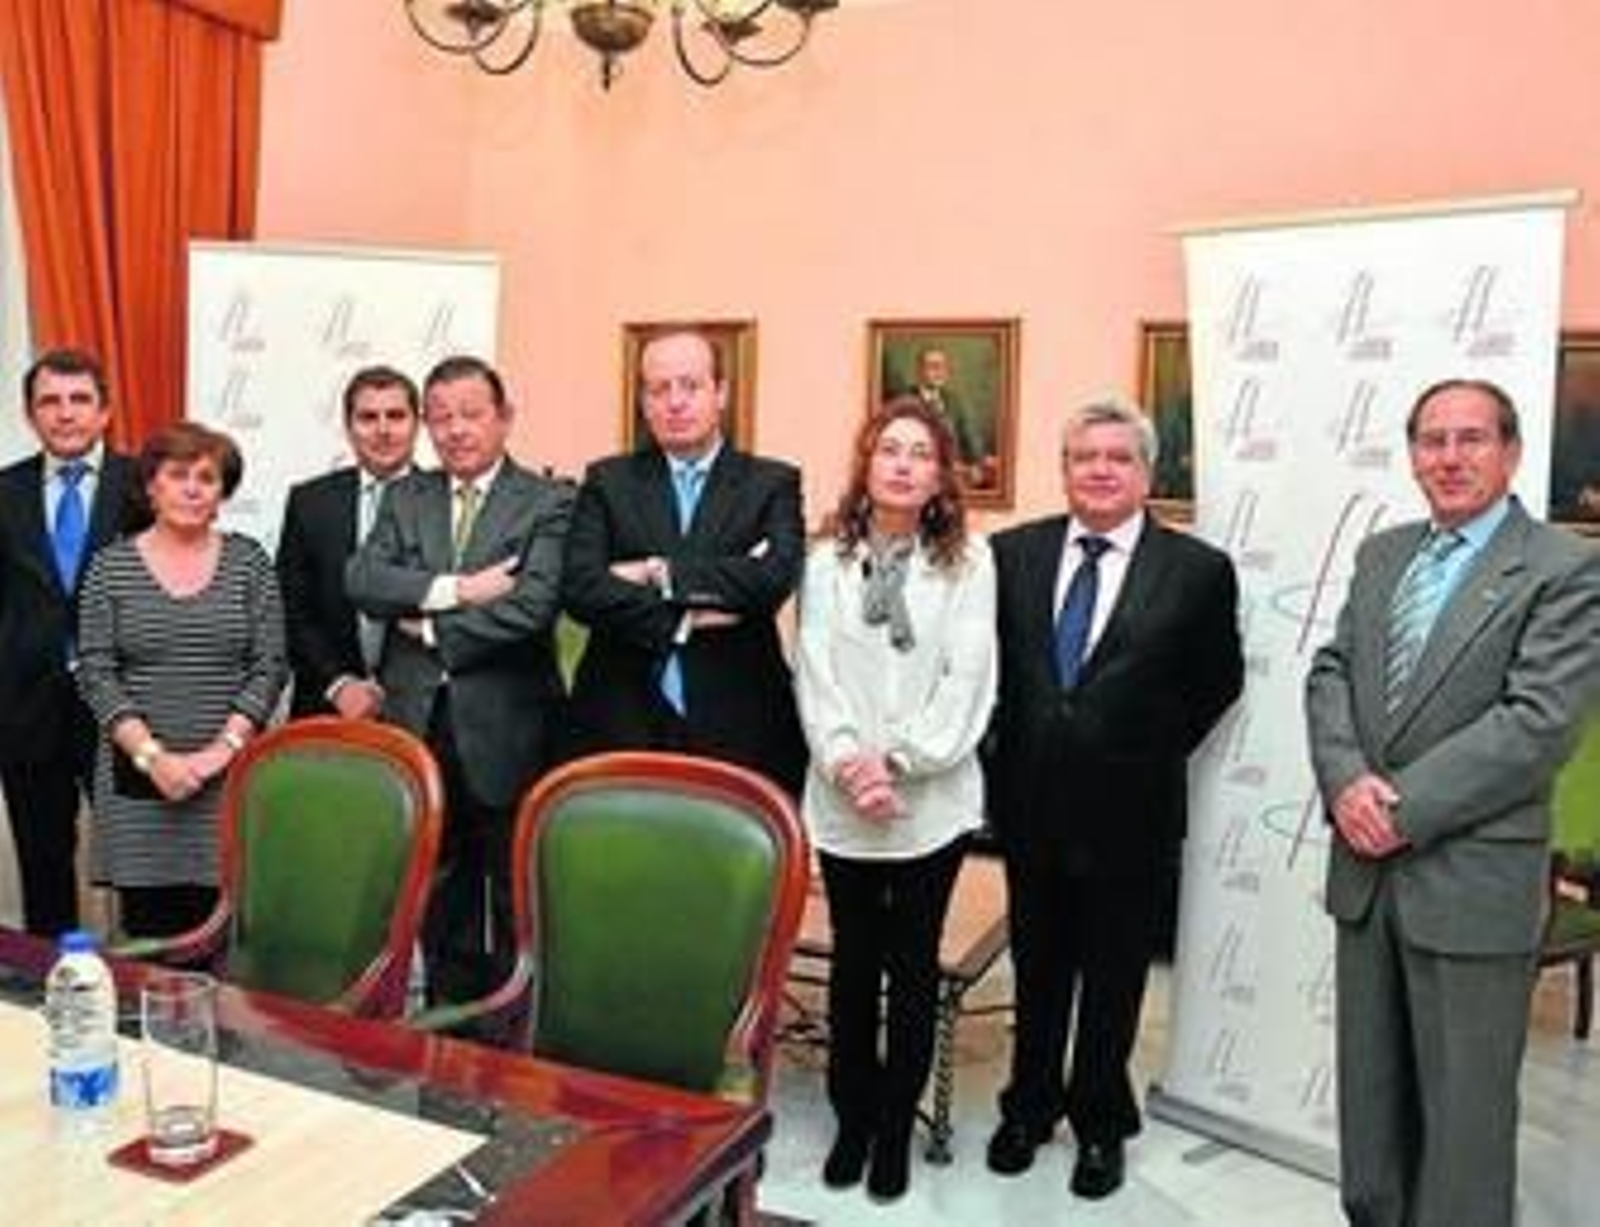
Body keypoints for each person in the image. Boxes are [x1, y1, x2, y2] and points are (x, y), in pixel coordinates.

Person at [1305, 378, 1600, 1227]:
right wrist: (1343, 781)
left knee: (1465, 1127)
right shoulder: (1383, 554)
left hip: (1471, 884)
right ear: (1412, 455)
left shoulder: (1564, 567)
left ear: (1510, 452)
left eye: (1471, 439)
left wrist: (1395, 808)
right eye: (1432, 440)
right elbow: (1331, 672)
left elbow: (1536, 723)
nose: (1449, 457)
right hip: (1366, 880)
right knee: (1373, 1113)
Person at [985, 398, 1242, 1198]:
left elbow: (1216, 681)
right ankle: (1027, 1107)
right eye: (1083, 456)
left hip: (1134, 812)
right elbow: (986, 672)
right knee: (1038, 969)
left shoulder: (1198, 571)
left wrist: (1144, 747)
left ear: (1147, 472)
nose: (1099, 469)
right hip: (1029, 807)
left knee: (1115, 977)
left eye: (1117, 457)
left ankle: (1100, 1119)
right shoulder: (1010, 554)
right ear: (1063, 469)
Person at [793, 396, 997, 1201]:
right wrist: (851, 765)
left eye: (920, 452)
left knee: (912, 965)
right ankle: (851, 1113)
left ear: (942, 473)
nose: (904, 463)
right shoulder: (825, 562)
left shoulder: (970, 565)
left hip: (931, 803)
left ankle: (892, 1126)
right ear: (866, 464)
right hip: (845, 801)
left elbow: (967, 678)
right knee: (853, 964)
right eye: (889, 450)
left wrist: (901, 762)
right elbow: (815, 673)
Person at [346, 354, 574, 1012]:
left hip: (511, 728)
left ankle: (509, 1047)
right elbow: (363, 579)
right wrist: (458, 589)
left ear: (504, 418)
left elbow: (532, 605)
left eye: (471, 414)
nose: (455, 430)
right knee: (436, 895)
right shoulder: (405, 495)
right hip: (419, 726)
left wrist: (430, 629)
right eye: (441, 417)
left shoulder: (549, 500)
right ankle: (447, 1038)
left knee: (514, 896)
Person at [562, 327, 807, 796]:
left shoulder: (771, 483)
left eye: (690, 386)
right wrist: (687, 616)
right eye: (659, 388)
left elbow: (772, 580)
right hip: (620, 719)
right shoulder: (607, 481)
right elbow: (580, 588)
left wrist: (658, 573)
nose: (675, 402)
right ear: (644, 401)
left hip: (740, 723)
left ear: (721, 393)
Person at [75, 422, 286, 939]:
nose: (192, 488)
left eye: (207, 477)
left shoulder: (249, 562)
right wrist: (153, 758)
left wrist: (221, 751)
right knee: (151, 947)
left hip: (229, 779)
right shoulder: (110, 567)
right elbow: (96, 672)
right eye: (177, 475)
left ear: (222, 492)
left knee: (231, 940)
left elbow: (270, 664)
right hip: (140, 782)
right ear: (151, 485)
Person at [0, 349, 146, 938]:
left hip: (126, 711)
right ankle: (52, 994)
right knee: (43, 865)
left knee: (139, 867)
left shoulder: (146, 485)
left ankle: (146, 993)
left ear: (105, 411)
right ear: (31, 415)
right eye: (49, 402)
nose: (65, 414)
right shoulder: (3, 491)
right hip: (26, 710)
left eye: (79, 399)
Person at [277, 365, 421, 719]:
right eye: (368, 417)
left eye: (396, 416)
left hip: (421, 710)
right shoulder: (310, 501)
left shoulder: (448, 500)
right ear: (348, 427)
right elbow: (290, 608)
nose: (383, 430)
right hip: (326, 704)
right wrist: (338, 684)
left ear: (417, 424)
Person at [911, 346, 987, 475]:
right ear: (919, 370)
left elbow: (970, 437)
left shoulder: (954, 400)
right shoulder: (907, 400)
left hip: (955, 472)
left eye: (943, 367)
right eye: (933, 366)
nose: (939, 372)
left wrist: (977, 461)